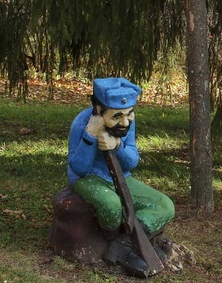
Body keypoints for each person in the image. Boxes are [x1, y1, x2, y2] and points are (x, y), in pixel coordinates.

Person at [67, 77, 175, 241]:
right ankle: (109, 239)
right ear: (99, 110)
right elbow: (79, 169)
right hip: (89, 178)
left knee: (164, 205)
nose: (125, 122)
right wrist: (90, 136)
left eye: (129, 114)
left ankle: (126, 242)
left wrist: (118, 146)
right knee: (111, 206)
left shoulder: (126, 123)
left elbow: (131, 162)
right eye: (116, 117)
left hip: (121, 176)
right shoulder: (81, 123)